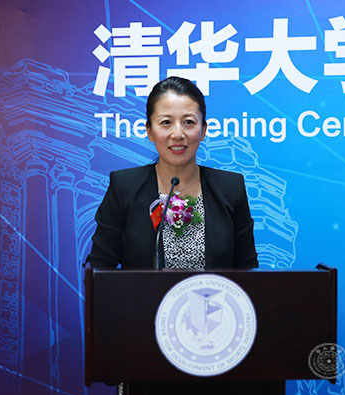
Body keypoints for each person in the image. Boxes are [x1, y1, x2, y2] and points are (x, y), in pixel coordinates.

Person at [86, 76, 258, 271]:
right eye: (166, 122)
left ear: (203, 131)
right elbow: (100, 267)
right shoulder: (124, 187)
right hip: (142, 293)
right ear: (149, 131)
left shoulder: (230, 188)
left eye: (188, 122)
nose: (177, 134)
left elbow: (247, 270)